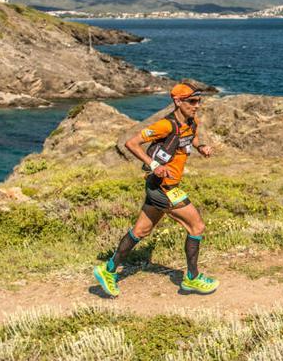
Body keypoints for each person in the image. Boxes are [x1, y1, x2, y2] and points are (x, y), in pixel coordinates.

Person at [93, 82, 219, 296]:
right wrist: (154, 165)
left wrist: (201, 147)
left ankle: (108, 270)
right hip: (163, 187)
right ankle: (192, 278)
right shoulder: (165, 125)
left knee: (141, 231)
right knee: (196, 227)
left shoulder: (191, 121)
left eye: (199, 101)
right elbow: (131, 143)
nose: (197, 105)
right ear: (177, 101)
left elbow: (191, 137)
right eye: (192, 101)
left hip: (163, 186)